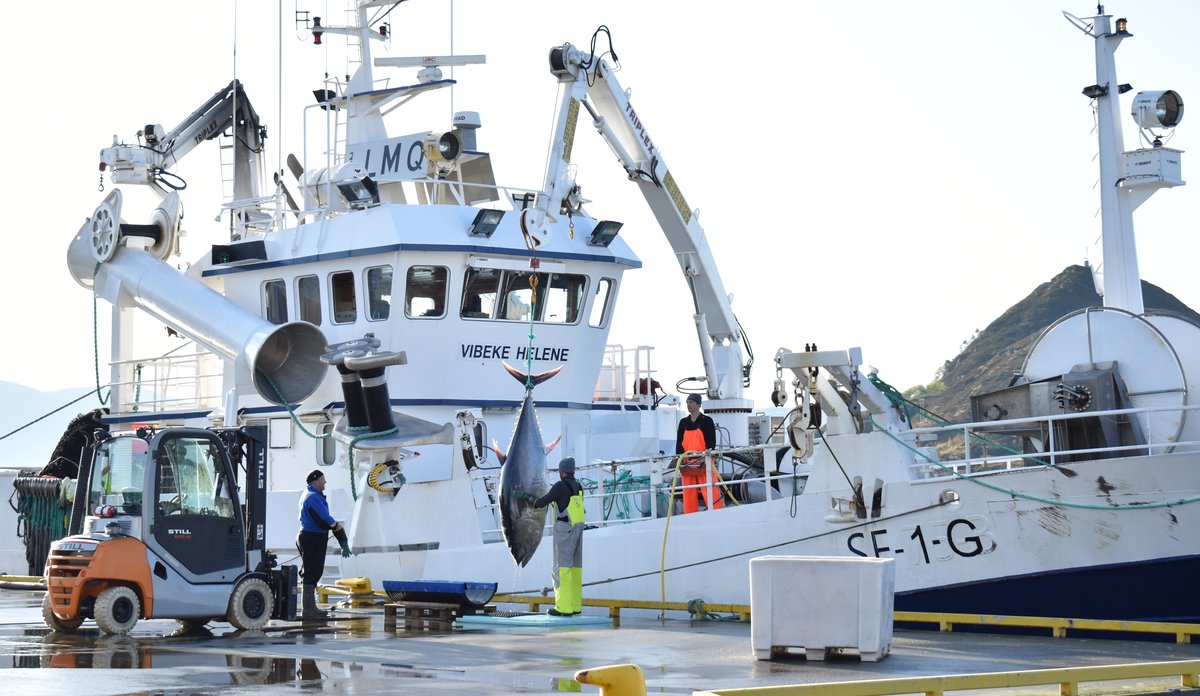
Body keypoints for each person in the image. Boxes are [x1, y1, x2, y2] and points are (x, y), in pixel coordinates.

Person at [515, 457, 584, 616]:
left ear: (562, 472)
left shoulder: (560, 486)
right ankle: (574, 605)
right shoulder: (579, 486)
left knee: (561, 569)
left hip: (564, 530)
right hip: (578, 530)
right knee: (575, 569)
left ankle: (563, 608)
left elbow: (540, 502)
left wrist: (523, 496)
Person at [297, 470, 351, 618]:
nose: (325, 482)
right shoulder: (313, 498)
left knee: (310, 571)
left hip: (309, 537)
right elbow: (327, 520)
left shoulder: (309, 495)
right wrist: (342, 539)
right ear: (315, 482)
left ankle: (309, 607)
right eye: (323, 480)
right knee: (312, 572)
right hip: (312, 538)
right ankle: (308, 609)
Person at [675, 393, 724, 514]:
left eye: (691, 402)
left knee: (710, 489)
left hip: (704, 461)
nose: (688, 405)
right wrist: (680, 457)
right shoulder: (683, 422)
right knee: (688, 492)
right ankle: (690, 515)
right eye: (687, 403)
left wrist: (709, 450)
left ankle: (717, 513)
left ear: (698, 404)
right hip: (688, 462)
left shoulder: (707, 421)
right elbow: (679, 443)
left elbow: (711, 442)